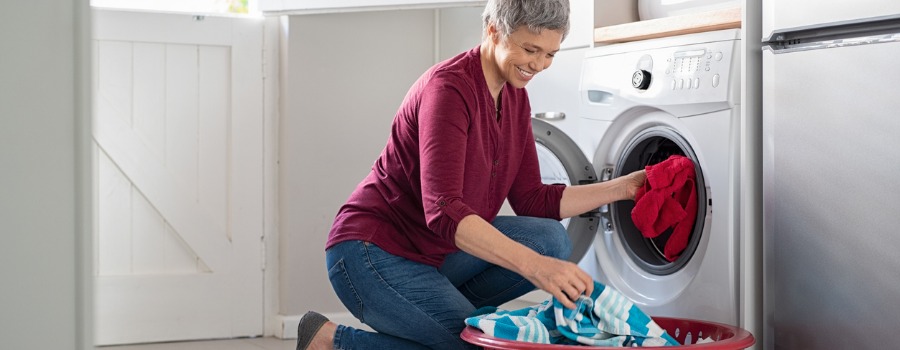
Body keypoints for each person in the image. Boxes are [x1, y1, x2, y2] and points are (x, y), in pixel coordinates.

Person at [296, 0, 647, 349]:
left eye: (550, 54)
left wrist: (626, 186)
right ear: (493, 30)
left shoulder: (514, 96)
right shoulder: (448, 90)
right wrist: (538, 268)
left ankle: (438, 323)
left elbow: (532, 199)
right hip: (372, 253)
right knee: (477, 343)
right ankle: (333, 343)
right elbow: (445, 211)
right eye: (530, 49)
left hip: (436, 254)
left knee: (550, 239)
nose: (539, 65)